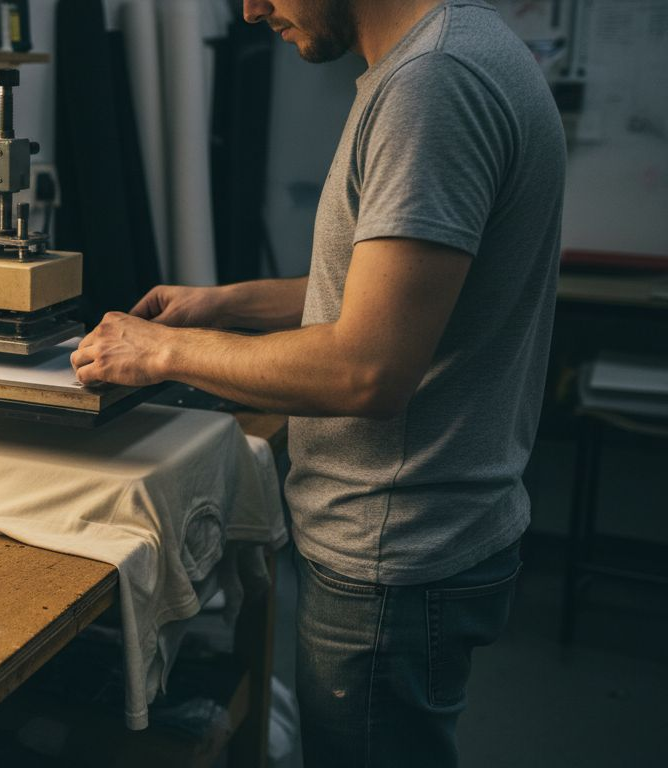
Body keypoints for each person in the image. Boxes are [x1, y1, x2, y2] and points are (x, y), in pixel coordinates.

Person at [70, 0, 565, 765]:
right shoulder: (450, 51)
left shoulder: (433, 84)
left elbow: (366, 369)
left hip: (394, 555)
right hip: (426, 533)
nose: (250, 8)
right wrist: (225, 303)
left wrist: (163, 352)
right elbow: (385, 295)